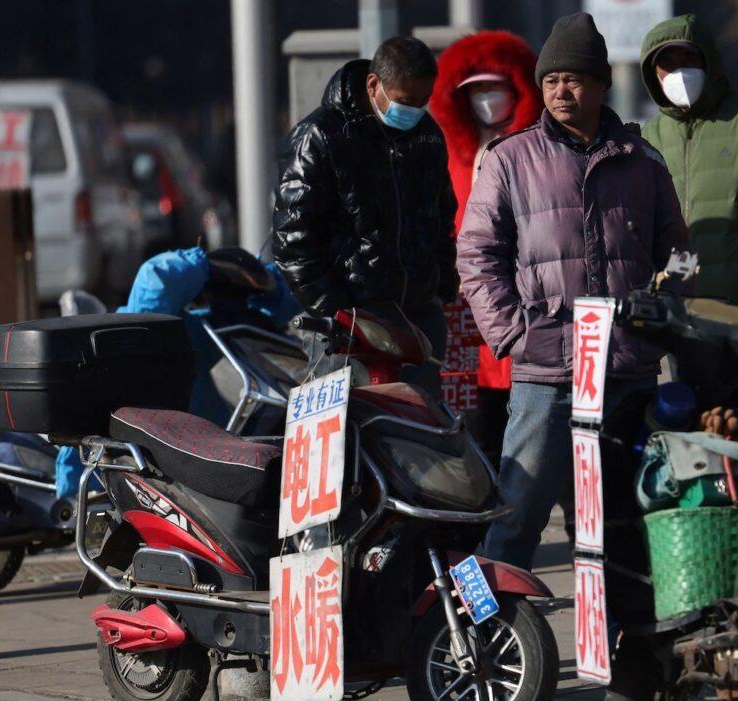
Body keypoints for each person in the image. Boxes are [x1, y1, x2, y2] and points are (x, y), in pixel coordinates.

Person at [456, 12, 689, 570]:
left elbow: (681, 255)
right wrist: (513, 333)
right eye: (551, 80)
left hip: (625, 370)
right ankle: (479, 643)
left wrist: (661, 318)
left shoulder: (643, 162)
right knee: (515, 517)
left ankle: (631, 650)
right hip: (547, 371)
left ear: (602, 84)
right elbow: (476, 255)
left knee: (628, 519)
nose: (562, 91)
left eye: (575, 79)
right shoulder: (509, 161)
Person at [272, 36, 457, 393]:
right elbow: (293, 239)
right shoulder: (321, 136)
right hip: (349, 324)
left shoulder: (427, 137)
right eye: (407, 101)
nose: (416, 110)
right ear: (374, 85)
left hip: (416, 317)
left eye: (423, 101)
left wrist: (441, 282)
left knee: (418, 435)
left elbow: (441, 215)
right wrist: (336, 312)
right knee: (345, 437)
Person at [639, 14, 738, 319]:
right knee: (688, 369)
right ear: (654, 73)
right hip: (678, 304)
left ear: (709, 61)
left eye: (689, 58)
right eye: (669, 63)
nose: (680, 72)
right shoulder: (652, 134)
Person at [430, 30, 542, 466]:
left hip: (519, 300)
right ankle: (480, 523)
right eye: (475, 91)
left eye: (494, 88)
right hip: (461, 308)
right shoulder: (451, 153)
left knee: (528, 413)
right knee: (470, 423)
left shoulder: (537, 151)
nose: (486, 99)